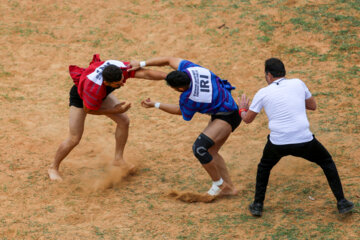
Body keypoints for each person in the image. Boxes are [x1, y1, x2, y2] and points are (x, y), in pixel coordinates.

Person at [238, 58, 354, 216]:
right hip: (304, 140)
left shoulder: (263, 93)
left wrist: (242, 109)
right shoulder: (298, 83)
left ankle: (258, 205)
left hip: (278, 143)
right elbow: (312, 106)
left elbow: (247, 119)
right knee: (326, 162)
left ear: (269, 75)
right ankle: (341, 202)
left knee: (264, 168)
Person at [128, 57, 241, 197]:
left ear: (180, 88)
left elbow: (179, 111)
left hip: (227, 116)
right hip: (226, 106)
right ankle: (229, 188)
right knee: (211, 151)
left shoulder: (189, 97)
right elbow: (169, 60)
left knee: (200, 149)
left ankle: (219, 184)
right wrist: (141, 64)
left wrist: (155, 104)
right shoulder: (192, 69)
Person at [48, 54, 167, 181]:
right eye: (118, 83)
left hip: (101, 94)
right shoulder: (93, 89)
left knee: (123, 121)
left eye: (122, 79)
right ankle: (53, 167)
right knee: (74, 138)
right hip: (81, 99)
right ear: (106, 82)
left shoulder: (119, 68)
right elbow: (89, 109)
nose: (123, 83)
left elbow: (146, 74)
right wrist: (114, 110)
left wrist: (168, 77)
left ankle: (118, 159)